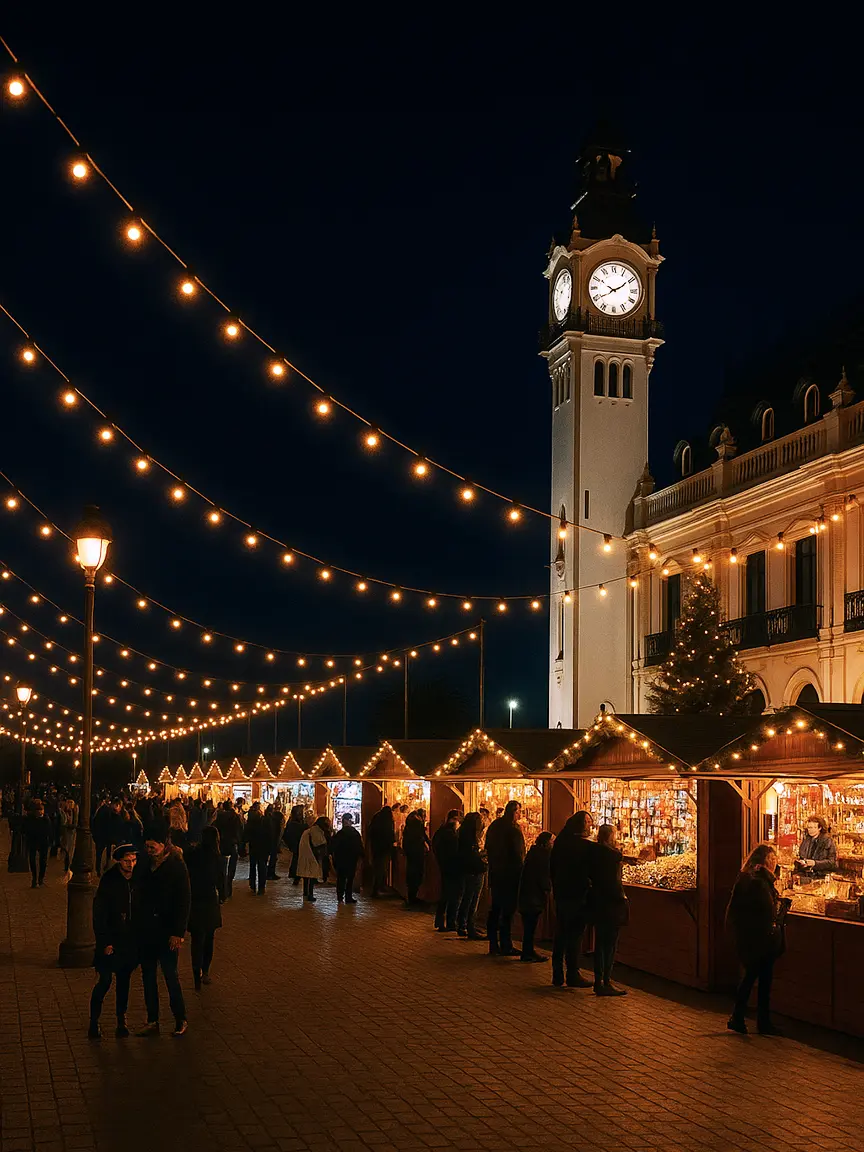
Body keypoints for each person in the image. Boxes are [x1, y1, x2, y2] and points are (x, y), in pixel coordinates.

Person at [133, 821, 191, 1037]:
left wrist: (179, 932)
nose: (149, 851)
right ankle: (152, 1019)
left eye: (152, 847)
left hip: (168, 931)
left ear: (163, 845)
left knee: (170, 975)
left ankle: (180, 1018)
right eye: (147, 847)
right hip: (147, 930)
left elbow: (184, 900)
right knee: (148, 975)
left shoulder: (176, 865)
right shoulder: (144, 864)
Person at [726, 843, 788, 1036]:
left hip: (749, 936)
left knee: (753, 976)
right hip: (759, 938)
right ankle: (751, 1019)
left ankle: (745, 1017)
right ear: (767, 860)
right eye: (774, 858)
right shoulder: (759, 882)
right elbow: (766, 910)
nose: (776, 861)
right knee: (759, 978)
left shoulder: (747, 876)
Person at [89, 844, 139, 1039]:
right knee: (105, 980)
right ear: (119, 860)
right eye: (127, 860)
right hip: (110, 939)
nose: (131, 864)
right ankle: (94, 1021)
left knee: (124, 981)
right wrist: (104, 942)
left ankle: (121, 1019)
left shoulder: (137, 880)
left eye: (134, 860)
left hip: (128, 940)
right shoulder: (109, 880)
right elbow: (100, 914)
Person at [549, 810, 596, 988]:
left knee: (561, 933)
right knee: (574, 934)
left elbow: (552, 867)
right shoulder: (578, 845)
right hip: (574, 894)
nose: (590, 826)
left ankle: (558, 972)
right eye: (588, 823)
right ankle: (572, 972)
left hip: (562, 893)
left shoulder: (561, 841)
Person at [588, 825, 629, 995]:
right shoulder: (613, 857)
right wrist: (622, 899)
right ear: (610, 836)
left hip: (597, 902)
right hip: (611, 903)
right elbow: (615, 883)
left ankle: (598, 980)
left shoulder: (592, 853)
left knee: (600, 943)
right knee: (610, 944)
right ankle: (606, 980)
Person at [185, 826, 225, 991]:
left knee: (197, 940)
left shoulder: (192, 854)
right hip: (209, 900)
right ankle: (205, 971)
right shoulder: (216, 857)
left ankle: (197, 973)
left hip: (194, 900)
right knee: (209, 939)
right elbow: (220, 880)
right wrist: (223, 895)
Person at [484, 800, 525, 956]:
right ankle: (506, 943)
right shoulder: (513, 829)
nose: (520, 815)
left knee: (496, 909)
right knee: (507, 911)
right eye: (519, 811)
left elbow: (488, 846)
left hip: (496, 873)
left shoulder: (495, 826)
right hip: (510, 875)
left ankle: (494, 943)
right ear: (514, 812)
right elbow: (517, 854)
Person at [518, 831, 554, 962]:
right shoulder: (542, 856)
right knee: (530, 926)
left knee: (529, 926)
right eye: (552, 842)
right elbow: (543, 877)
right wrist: (547, 889)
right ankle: (528, 952)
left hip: (527, 895)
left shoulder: (533, 853)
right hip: (533, 896)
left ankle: (528, 951)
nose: (553, 844)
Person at [456, 812, 487, 939]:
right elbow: (470, 855)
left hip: (469, 869)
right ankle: (469, 926)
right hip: (474, 870)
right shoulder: (469, 838)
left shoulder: (463, 834)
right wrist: (481, 856)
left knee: (468, 898)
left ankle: (464, 924)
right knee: (472, 898)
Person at [432, 809, 463, 932]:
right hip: (452, 868)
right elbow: (455, 851)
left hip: (445, 866)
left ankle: (441, 921)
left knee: (445, 894)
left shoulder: (441, 831)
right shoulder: (450, 834)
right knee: (453, 895)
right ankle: (450, 922)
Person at [331, 813, 364, 903]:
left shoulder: (340, 834)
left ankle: (340, 896)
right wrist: (361, 856)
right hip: (351, 859)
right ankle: (348, 897)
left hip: (341, 859)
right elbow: (359, 846)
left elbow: (334, 846)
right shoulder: (354, 833)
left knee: (341, 878)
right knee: (350, 878)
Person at [402, 809, 430, 906]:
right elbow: (422, 837)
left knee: (412, 874)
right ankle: (413, 898)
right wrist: (428, 844)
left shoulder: (410, 824)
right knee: (417, 874)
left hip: (411, 852)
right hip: (417, 852)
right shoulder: (417, 824)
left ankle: (411, 897)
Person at [22, 800, 53, 888]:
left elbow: (50, 831)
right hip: (33, 841)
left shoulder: (46, 819)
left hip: (43, 842)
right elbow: (26, 829)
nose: (39, 812)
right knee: (32, 860)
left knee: (43, 861)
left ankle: (40, 878)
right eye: (38, 810)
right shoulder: (30, 819)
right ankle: (34, 878)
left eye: (41, 810)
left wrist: (50, 840)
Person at [368, 802, 396, 897]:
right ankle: (377, 888)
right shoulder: (387, 822)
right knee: (381, 868)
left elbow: (371, 831)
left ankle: (378, 887)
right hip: (383, 848)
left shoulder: (377, 818)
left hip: (376, 847)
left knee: (378, 868)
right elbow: (390, 834)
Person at [214, 800, 242, 897]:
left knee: (221, 868)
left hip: (221, 844)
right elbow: (239, 830)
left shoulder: (219, 816)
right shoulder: (235, 817)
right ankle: (228, 888)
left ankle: (223, 889)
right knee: (231, 868)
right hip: (232, 844)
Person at [297, 817, 328, 902]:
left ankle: (306, 893)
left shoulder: (309, 831)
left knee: (307, 876)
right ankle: (309, 894)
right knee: (310, 876)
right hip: (311, 855)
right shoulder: (315, 831)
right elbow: (319, 843)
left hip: (307, 855)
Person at [93, 798, 125, 875]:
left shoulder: (104, 811)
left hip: (103, 838)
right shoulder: (115, 815)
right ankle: (102, 869)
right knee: (105, 855)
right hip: (107, 838)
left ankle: (99, 870)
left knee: (100, 855)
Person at [244, 801, 271, 894]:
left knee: (253, 866)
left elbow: (246, 834)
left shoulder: (250, 821)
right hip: (262, 846)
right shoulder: (265, 820)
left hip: (254, 846)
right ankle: (261, 887)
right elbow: (269, 834)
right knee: (262, 866)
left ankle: (253, 885)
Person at [284, 804, 306, 885]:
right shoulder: (295, 823)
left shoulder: (293, 821)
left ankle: (295, 875)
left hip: (297, 842)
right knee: (297, 859)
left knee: (296, 858)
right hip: (297, 842)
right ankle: (296, 875)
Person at [59, 797, 78, 877]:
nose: (69, 805)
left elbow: (75, 823)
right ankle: (67, 866)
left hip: (70, 832)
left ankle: (68, 866)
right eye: (68, 803)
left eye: (71, 803)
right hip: (66, 832)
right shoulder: (65, 812)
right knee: (66, 849)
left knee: (69, 850)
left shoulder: (73, 812)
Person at [267, 804, 287, 880]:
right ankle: (270, 873)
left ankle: (270, 873)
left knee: (273, 858)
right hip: (273, 843)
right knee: (273, 858)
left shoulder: (272, 823)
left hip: (273, 843)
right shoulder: (276, 826)